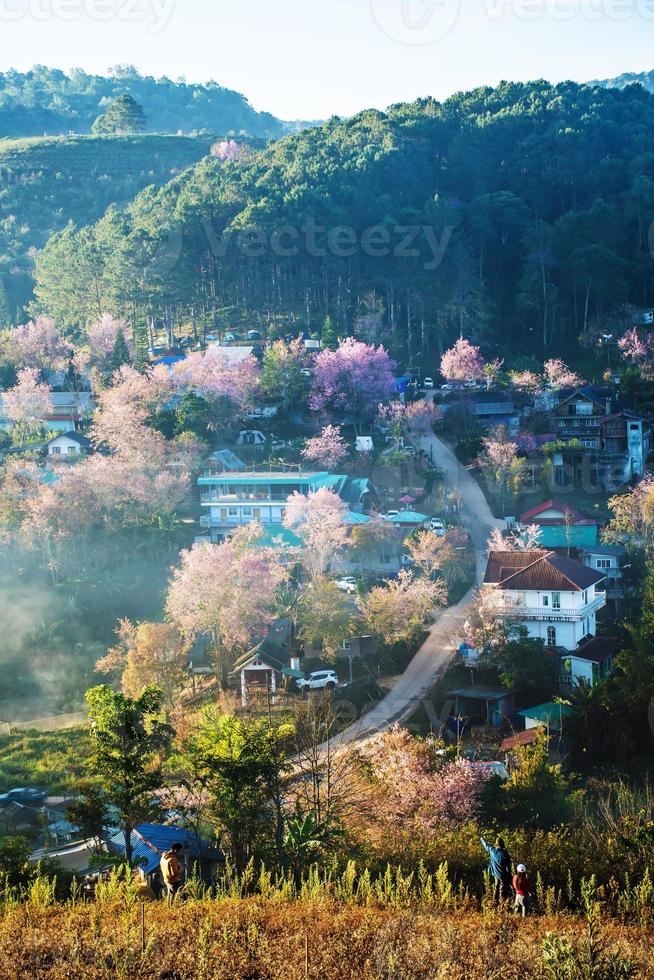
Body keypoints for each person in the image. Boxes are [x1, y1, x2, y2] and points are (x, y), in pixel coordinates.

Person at [480, 836, 512, 903]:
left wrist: (482, 839)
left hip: (496, 875)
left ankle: (495, 902)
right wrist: (510, 878)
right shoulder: (505, 854)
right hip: (503, 876)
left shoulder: (492, 850)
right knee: (502, 891)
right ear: (503, 844)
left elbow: (486, 845)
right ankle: (502, 905)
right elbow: (508, 867)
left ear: (496, 844)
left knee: (496, 888)